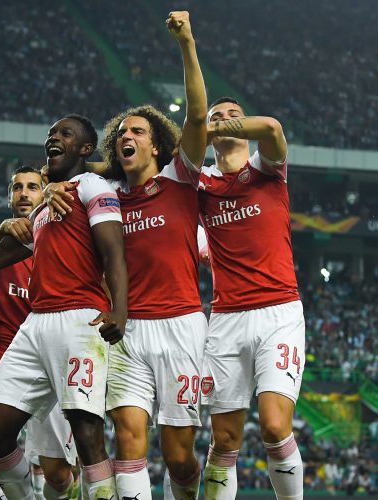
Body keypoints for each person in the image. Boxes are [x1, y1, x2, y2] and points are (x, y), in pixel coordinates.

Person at [45, 12, 208, 500]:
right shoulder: (106, 192)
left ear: (156, 144)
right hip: (126, 328)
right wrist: (47, 189)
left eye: (136, 131)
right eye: (120, 134)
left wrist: (186, 43)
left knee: (178, 457)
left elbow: (197, 117)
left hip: (181, 327)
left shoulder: (180, 178)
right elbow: (64, 170)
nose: (126, 137)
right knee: (128, 443)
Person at [0, 113, 128, 500]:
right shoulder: (41, 212)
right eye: (51, 133)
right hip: (34, 325)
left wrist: (120, 309)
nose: (54, 137)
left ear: (85, 148)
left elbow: (113, 250)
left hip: (79, 321)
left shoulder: (92, 186)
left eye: (66, 134)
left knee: (87, 434)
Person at [198, 97, 305, 500]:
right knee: (224, 439)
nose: (224, 121)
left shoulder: (266, 168)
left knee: (275, 426)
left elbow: (273, 128)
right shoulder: (200, 183)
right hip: (226, 319)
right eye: (215, 117)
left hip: (279, 313)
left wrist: (206, 126)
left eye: (232, 116)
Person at [0, 166, 78, 500]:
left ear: (45, 193)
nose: (24, 193)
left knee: (58, 474)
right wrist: (3, 230)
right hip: (1, 355)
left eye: (33, 186)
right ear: (9, 197)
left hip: (51, 361)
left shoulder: (61, 241)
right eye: (17, 187)